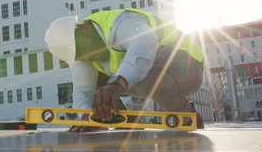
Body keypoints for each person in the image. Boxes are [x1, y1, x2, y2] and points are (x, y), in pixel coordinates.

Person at [44, 8, 205, 131]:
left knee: (141, 65)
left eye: (81, 51)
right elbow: (82, 90)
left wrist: (117, 85)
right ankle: (123, 122)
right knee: (99, 84)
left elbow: (145, 44)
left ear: (84, 29)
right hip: (158, 74)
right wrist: (88, 117)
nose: (84, 59)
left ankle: (186, 114)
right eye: (79, 57)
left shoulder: (122, 22)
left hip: (188, 66)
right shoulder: (85, 53)